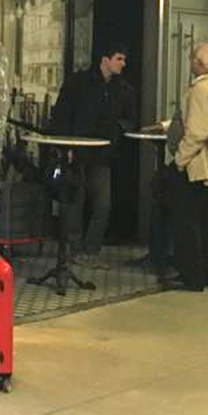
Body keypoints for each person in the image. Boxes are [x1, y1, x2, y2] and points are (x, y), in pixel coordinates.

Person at [50, 43, 138, 268]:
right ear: (105, 59)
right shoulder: (79, 84)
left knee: (102, 204)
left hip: (102, 153)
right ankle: (75, 249)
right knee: (75, 202)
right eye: (119, 58)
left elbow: (129, 118)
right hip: (78, 150)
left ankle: (90, 250)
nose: (123, 64)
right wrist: (65, 146)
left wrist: (117, 131)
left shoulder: (122, 90)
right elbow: (63, 114)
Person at [170, 43, 208, 292]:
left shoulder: (202, 89)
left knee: (189, 222)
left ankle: (192, 276)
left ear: (200, 64)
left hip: (199, 166)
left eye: (193, 59)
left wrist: (179, 160)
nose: (190, 62)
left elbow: (197, 132)